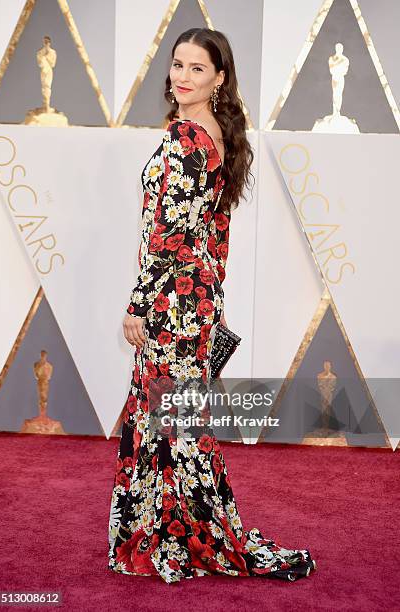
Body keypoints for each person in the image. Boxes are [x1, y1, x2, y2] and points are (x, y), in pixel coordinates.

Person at [108, 27, 317, 584]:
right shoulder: (215, 133)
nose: (181, 76)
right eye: (177, 65)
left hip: (173, 302)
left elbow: (172, 235)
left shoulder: (186, 137)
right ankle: (173, 537)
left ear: (219, 79)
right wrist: (210, 302)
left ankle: (188, 540)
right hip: (194, 301)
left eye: (197, 68)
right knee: (171, 420)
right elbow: (209, 234)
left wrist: (137, 305)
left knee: (172, 423)